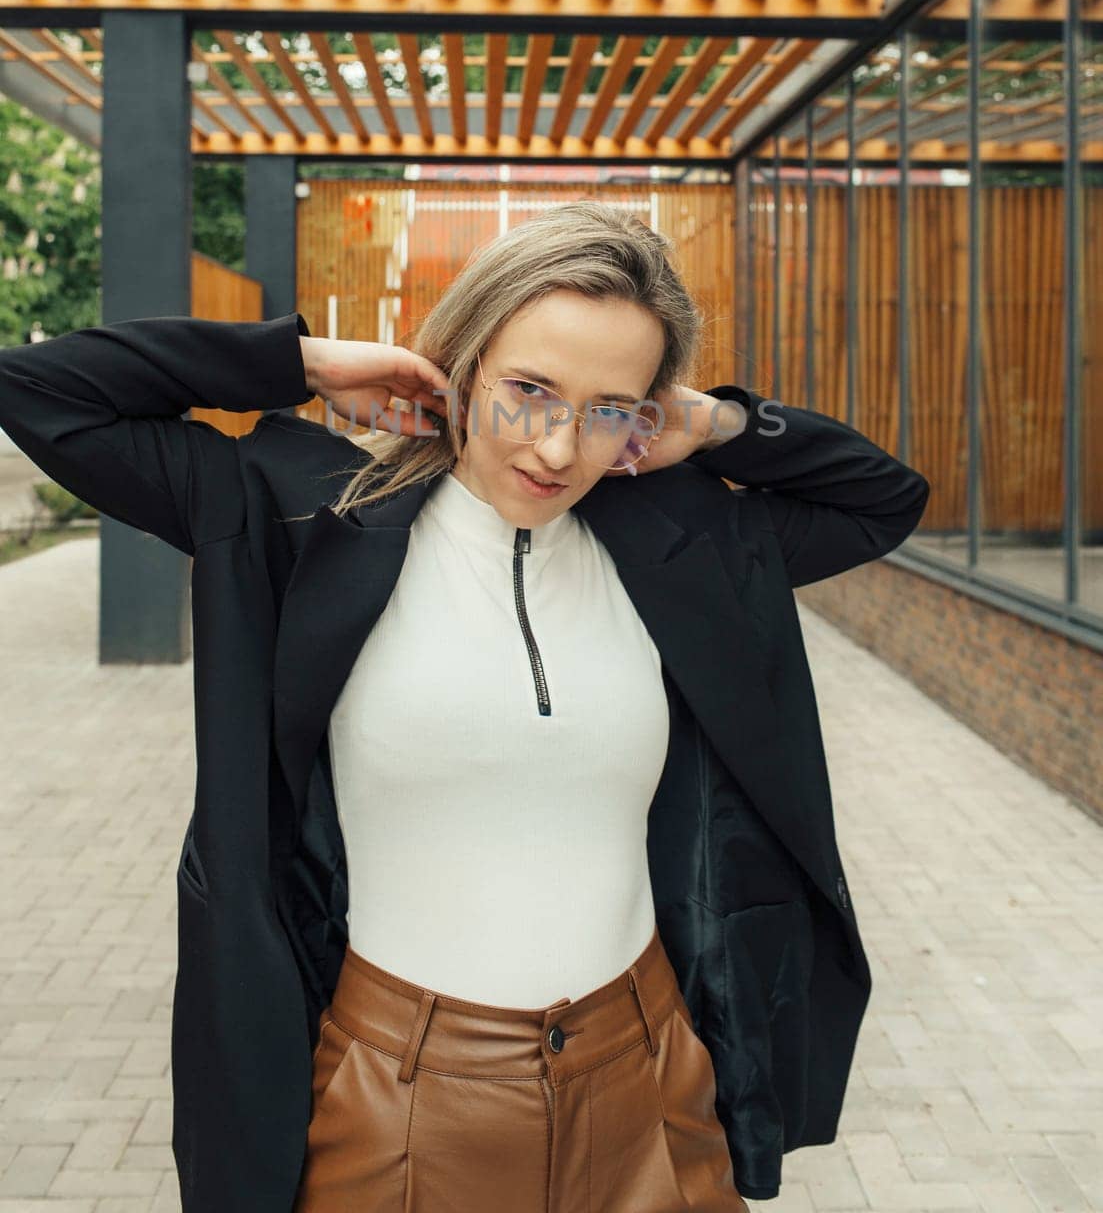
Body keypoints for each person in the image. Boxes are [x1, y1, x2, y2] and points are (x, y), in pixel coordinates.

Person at [0, 199, 930, 1212]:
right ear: (465, 360)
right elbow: (39, 390)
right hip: (397, 1101)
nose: (558, 448)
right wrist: (301, 362)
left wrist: (714, 422)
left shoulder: (681, 543)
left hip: (648, 1080)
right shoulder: (306, 511)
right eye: (528, 389)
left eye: (607, 407)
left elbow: (882, 499)